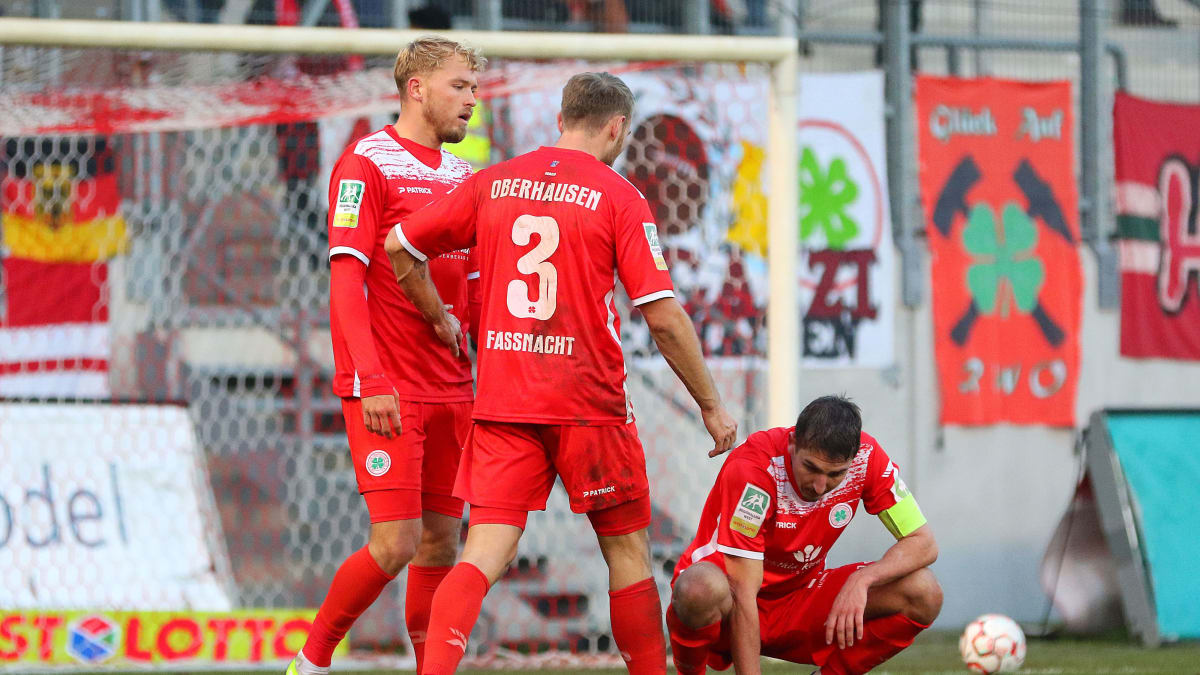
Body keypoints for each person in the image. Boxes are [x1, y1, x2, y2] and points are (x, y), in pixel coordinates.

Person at [384, 71, 739, 674]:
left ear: (560, 120)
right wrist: (709, 403)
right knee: (626, 552)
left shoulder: (491, 182)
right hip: (588, 403)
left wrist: (440, 318)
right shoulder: (620, 197)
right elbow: (663, 315)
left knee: (481, 555)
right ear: (617, 127)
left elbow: (399, 246)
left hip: (503, 401)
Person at [286, 37, 485, 675]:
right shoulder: (365, 163)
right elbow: (346, 280)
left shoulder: (465, 178)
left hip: (454, 389)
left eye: (475, 90)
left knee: (438, 544)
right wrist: (370, 377)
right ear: (417, 88)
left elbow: (473, 287)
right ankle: (311, 663)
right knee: (395, 541)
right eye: (461, 87)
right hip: (388, 387)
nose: (472, 103)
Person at [667, 395, 942, 675]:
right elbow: (743, 592)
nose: (821, 485)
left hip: (798, 600)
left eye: (835, 474)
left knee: (923, 591)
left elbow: (924, 543)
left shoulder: (868, 458)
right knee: (698, 589)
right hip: (732, 601)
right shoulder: (755, 469)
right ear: (792, 444)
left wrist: (864, 579)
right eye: (811, 468)